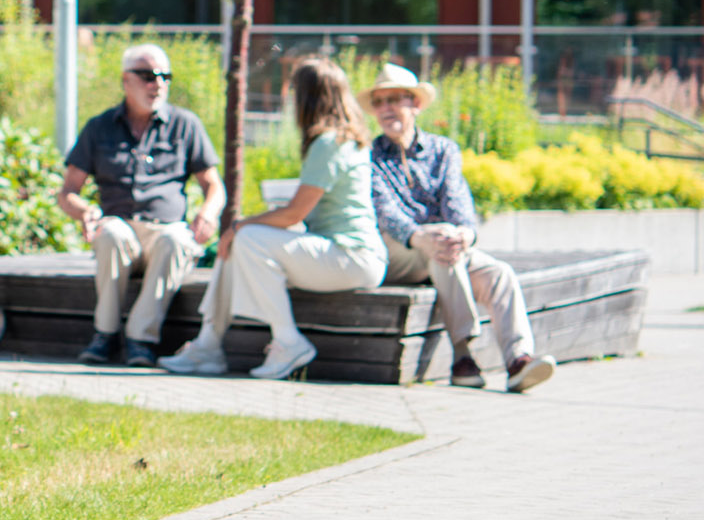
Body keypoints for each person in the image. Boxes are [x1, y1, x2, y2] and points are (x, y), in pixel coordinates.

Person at [160, 57, 387, 380]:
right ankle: (208, 344)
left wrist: (239, 225)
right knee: (238, 243)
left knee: (247, 238)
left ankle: (288, 341)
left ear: (307, 97)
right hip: (347, 254)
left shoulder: (329, 142)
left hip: (352, 257)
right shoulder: (343, 139)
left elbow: (296, 212)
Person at [364, 63, 556, 392]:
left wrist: (465, 234)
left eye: (395, 99)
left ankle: (518, 359)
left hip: (443, 248)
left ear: (416, 104)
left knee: (499, 273)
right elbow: (386, 214)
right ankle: (462, 354)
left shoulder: (443, 150)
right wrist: (419, 236)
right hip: (399, 252)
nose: (386, 109)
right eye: (379, 102)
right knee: (442, 249)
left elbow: (459, 205)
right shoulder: (367, 155)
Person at [56, 44, 226, 367]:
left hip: (166, 230)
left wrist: (208, 212)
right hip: (120, 228)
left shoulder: (186, 125)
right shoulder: (99, 127)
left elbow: (214, 185)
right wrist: (84, 211)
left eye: (164, 76)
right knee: (110, 234)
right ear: (125, 80)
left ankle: (139, 340)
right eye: (147, 76)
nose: (158, 84)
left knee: (175, 240)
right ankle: (105, 335)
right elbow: (67, 191)